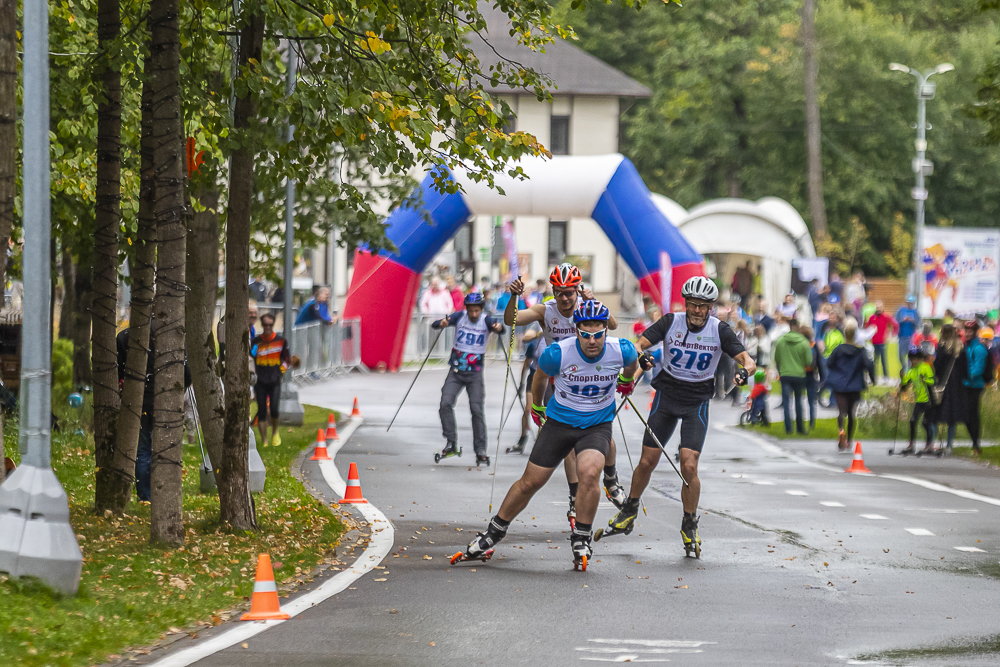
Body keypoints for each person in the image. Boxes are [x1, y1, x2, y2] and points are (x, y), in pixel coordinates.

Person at [454, 300, 639, 570]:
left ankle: (582, 536)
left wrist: (625, 380)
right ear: (576, 331)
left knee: (589, 472)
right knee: (531, 482)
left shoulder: (620, 350)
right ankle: (494, 532)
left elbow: (632, 363)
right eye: (585, 334)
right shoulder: (557, 353)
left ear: (605, 332)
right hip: (560, 423)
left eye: (598, 334)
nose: (592, 341)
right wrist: (538, 408)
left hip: (596, 425)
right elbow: (539, 379)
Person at [608, 276, 755, 557]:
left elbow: (748, 360)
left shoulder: (719, 330)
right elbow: (638, 344)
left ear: (711, 307)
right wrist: (640, 361)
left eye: (703, 306)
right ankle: (630, 509)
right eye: (693, 305)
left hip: (696, 401)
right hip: (667, 396)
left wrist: (744, 371)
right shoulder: (670, 321)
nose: (698, 311)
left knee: (689, 465)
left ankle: (689, 524)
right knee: (647, 461)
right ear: (685, 304)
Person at [505, 264, 626, 526]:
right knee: (568, 440)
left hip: (587, 377)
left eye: (569, 293)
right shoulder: (545, 310)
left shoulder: (586, 308)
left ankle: (611, 476)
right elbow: (511, 320)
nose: (565, 298)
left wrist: (594, 301)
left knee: (603, 438)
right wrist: (514, 296)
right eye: (560, 292)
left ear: (577, 290)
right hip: (556, 379)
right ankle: (574, 496)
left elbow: (613, 326)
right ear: (554, 291)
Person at [117, 318, 192, 501]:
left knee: (142, 449)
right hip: (166, 402)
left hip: (138, 401)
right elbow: (187, 374)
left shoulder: (125, 336)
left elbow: (118, 370)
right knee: (165, 448)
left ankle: (146, 495)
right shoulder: (173, 336)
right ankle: (164, 494)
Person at [431, 292, 504, 465]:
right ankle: (451, 443)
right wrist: (440, 323)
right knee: (445, 404)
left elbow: (501, 329)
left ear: (481, 309)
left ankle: (480, 449)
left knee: (476, 410)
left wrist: (499, 328)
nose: (473, 314)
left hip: (474, 374)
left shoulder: (486, 320)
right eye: (471, 310)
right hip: (456, 372)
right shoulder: (459, 317)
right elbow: (436, 325)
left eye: (476, 311)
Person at [825, 324, 875, 450]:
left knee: (841, 411)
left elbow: (829, 363)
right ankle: (850, 439)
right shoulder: (861, 351)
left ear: (844, 334)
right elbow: (868, 365)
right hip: (855, 384)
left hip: (840, 384)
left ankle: (841, 431)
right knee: (852, 413)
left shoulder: (838, 349)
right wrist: (873, 379)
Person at [953, 323, 995, 454]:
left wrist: (966, 376)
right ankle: (975, 444)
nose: (968, 332)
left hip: (975, 386)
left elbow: (978, 369)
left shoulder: (979, 348)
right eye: (967, 330)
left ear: (976, 332)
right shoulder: (969, 346)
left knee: (972, 415)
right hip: (967, 385)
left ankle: (976, 445)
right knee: (966, 415)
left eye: (971, 330)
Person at [251, 313, 291, 447]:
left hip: (275, 381)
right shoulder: (256, 342)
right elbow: (251, 356)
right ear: (262, 325)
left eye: (270, 325)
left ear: (273, 325)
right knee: (261, 410)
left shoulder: (281, 341)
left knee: (274, 409)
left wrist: (281, 371)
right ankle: (264, 441)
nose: (268, 327)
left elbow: (287, 360)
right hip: (260, 381)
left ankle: (274, 432)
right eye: (265, 325)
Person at [773, 319, 812, 435]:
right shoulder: (804, 342)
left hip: (785, 374)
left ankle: (788, 428)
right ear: (798, 327)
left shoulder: (780, 341)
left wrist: (781, 370)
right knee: (799, 401)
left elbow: (777, 359)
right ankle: (800, 428)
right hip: (799, 374)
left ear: (789, 327)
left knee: (786, 402)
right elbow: (808, 361)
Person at [900, 346, 937, 455]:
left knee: (926, 422)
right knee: (912, 420)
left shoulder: (925, 367)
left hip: (929, 399)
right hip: (919, 400)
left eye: (915, 358)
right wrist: (902, 378)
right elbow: (905, 387)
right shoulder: (911, 370)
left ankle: (929, 444)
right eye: (911, 359)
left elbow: (932, 381)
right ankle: (911, 444)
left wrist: (924, 379)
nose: (913, 361)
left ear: (920, 358)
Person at [864, 301, 898, 381]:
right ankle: (873, 376)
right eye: (877, 307)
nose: (878, 309)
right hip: (874, 342)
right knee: (874, 361)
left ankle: (886, 377)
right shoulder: (872, 317)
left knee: (883, 360)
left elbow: (895, 324)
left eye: (879, 307)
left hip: (882, 342)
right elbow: (866, 326)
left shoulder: (886, 316)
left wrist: (892, 334)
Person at [801, 326, 826, 431]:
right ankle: (812, 422)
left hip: (800, 374)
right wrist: (822, 377)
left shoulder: (800, 345)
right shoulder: (813, 345)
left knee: (798, 399)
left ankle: (800, 422)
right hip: (811, 374)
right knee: (811, 401)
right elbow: (819, 362)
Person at [895, 295, 920, 372]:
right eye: (908, 302)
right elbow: (895, 322)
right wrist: (903, 320)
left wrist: (912, 320)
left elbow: (919, 323)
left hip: (911, 337)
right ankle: (904, 366)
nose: (910, 304)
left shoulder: (915, 312)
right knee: (900, 355)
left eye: (911, 302)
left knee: (911, 355)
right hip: (902, 336)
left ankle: (909, 370)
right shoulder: (901, 311)